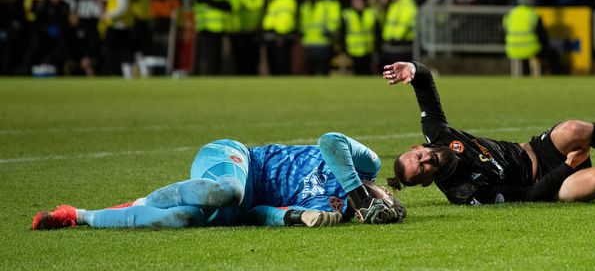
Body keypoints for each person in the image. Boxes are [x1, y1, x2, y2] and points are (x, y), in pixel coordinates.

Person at [382, 61, 595, 205]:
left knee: (575, 127)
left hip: (536, 149)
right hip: (552, 184)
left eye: (418, 156)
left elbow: (426, 83)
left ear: (417, 146)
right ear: (427, 181)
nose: (426, 160)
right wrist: (568, 166)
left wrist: (412, 68)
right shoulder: (463, 191)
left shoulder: (437, 133)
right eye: (422, 170)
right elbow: (530, 196)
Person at [32, 132, 404, 230]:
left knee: (182, 220)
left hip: (238, 209)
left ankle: (78, 215)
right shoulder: (366, 165)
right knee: (230, 190)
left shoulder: (331, 210)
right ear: (382, 191)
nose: (370, 206)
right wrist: (359, 192)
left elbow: (258, 212)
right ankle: (143, 201)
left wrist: (291, 217)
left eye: (373, 212)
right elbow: (330, 141)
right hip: (236, 160)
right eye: (381, 202)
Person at [299, 0, 341, 75]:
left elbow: (335, 21)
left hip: (324, 44)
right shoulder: (305, 5)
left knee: (324, 72)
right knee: (310, 72)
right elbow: (302, 23)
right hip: (308, 44)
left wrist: (329, 32)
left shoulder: (329, 3)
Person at [226, 0, 265, 75]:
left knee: (253, 60)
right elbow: (236, 7)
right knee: (241, 60)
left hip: (253, 31)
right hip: (239, 30)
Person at [193, 0, 231, 76]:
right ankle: (203, 76)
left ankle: (215, 76)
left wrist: (219, 4)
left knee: (217, 57)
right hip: (206, 29)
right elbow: (216, 3)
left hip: (219, 30)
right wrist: (219, 4)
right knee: (207, 56)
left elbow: (228, 6)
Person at [102, 0, 134, 78]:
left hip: (119, 24)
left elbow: (123, 6)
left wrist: (108, 15)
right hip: (120, 24)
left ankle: (116, 74)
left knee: (116, 52)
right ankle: (125, 75)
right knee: (123, 51)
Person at [263, 0, 297, 75]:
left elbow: (286, 19)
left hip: (281, 36)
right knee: (273, 65)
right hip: (271, 36)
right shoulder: (274, 0)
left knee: (282, 64)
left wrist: (281, 35)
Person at [380, 0, 417, 67]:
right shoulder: (395, 4)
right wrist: (386, 37)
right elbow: (390, 24)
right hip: (392, 42)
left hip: (401, 43)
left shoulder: (407, 4)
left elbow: (404, 23)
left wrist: (395, 38)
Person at [342, 0, 378, 75]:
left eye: (359, 0)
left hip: (368, 50)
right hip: (352, 51)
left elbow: (377, 33)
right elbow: (343, 33)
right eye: (355, 0)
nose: (357, 2)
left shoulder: (371, 13)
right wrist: (344, 49)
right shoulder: (347, 14)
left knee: (368, 73)